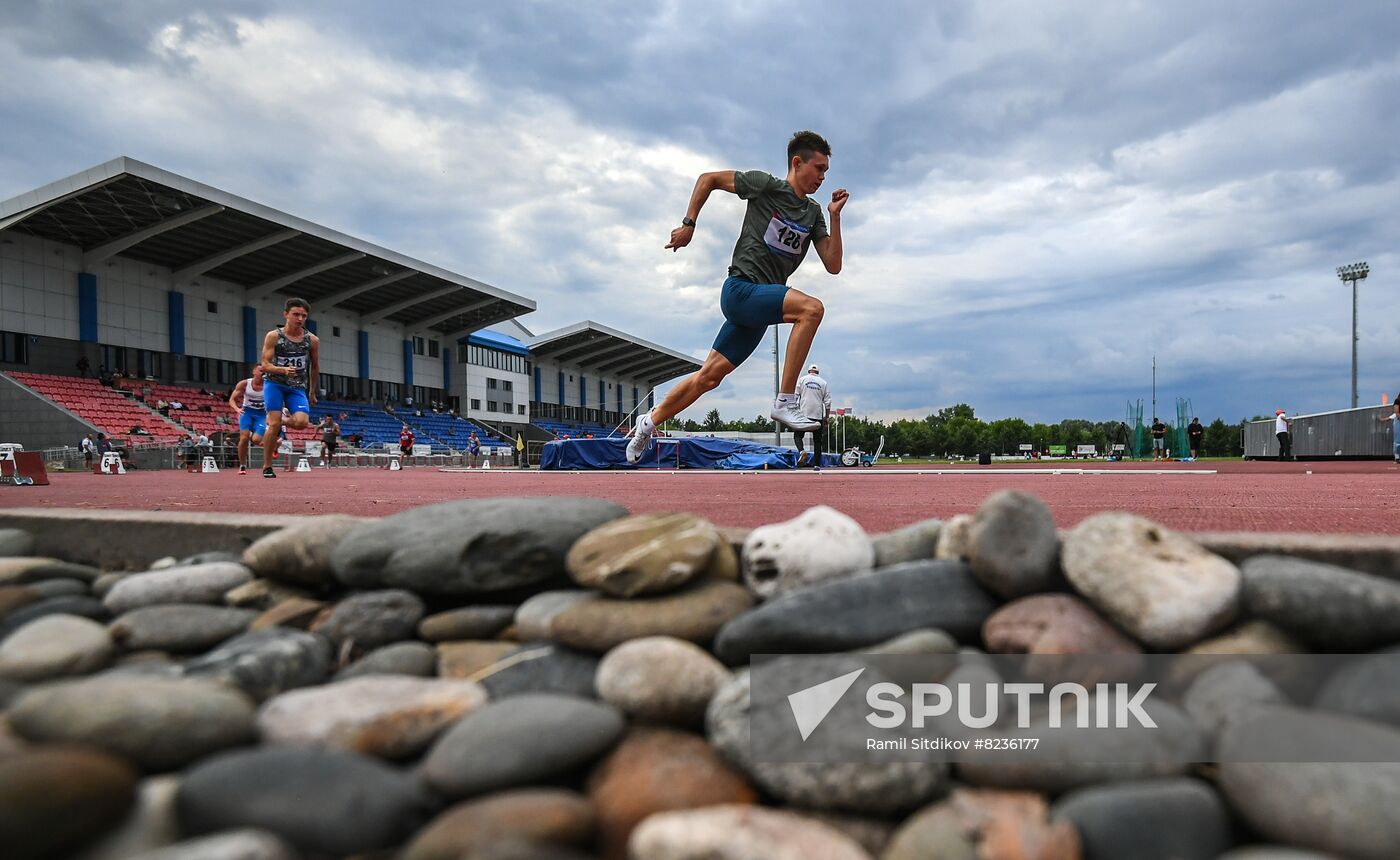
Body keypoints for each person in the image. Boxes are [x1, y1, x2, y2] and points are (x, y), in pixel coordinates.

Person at [626, 130, 847, 463]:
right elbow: (708, 179)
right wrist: (689, 224)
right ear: (797, 162)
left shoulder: (813, 213)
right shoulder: (767, 185)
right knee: (812, 310)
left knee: (709, 377)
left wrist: (834, 216)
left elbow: (833, 265)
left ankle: (648, 422)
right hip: (741, 291)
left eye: (826, 172)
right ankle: (785, 401)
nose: (822, 176)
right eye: (818, 168)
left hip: (757, 312)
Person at [259, 298, 319, 478]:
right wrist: (282, 370)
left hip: (297, 387)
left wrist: (312, 391)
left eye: (303, 316)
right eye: (296, 314)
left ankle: (281, 420)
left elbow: (315, 367)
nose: (300, 318)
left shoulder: (312, 340)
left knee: (301, 423)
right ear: (286, 314)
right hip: (274, 383)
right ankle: (267, 466)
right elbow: (265, 364)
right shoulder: (274, 336)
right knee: (274, 424)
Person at [229, 366, 268, 475]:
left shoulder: (268, 385)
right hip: (247, 413)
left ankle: (251, 433)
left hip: (261, 415)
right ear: (254, 371)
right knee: (244, 438)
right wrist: (237, 409)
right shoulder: (245, 384)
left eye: (264, 371)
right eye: (260, 370)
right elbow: (232, 399)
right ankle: (242, 466)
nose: (263, 372)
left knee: (256, 440)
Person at [792, 364, 831, 469]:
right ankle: (817, 464)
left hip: (803, 414)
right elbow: (827, 402)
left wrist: (793, 411)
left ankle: (801, 451)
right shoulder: (823, 383)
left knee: (798, 436)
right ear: (818, 372)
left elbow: (795, 396)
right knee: (817, 441)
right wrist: (826, 417)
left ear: (808, 371)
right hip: (817, 414)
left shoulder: (802, 380)